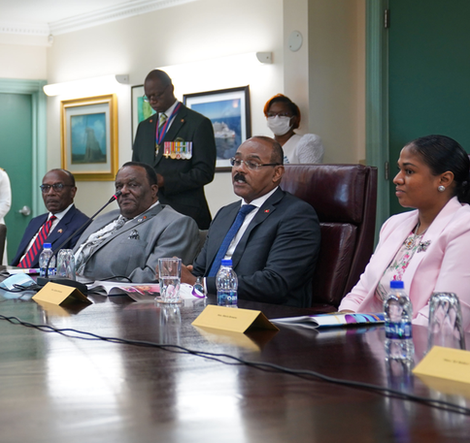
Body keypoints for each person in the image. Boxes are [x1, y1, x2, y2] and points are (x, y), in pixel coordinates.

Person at [340, 135, 470, 327]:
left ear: (444, 179)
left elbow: (445, 317)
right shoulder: (394, 224)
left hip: (428, 349)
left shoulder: (463, 227)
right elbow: (361, 292)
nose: (396, 179)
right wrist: (342, 323)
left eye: (408, 171)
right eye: (399, 169)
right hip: (374, 341)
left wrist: (386, 340)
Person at [182, 136, 321, 307]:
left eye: (252, 164)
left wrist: (200, 284)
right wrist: (180, 275)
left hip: (263, 315)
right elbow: (200, 270)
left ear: (277, 173)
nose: (240, 170)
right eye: (237, 161)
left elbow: (275, 283)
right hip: (208, 307)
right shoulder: (225, 213)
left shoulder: (296, 215)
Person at [73, 162, 199, 283]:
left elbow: (153, 277)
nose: (123, 191)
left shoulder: (175, 224)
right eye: (119, 186)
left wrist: (92, 284)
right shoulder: (104, 218)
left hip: (113, 299)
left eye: (133, 185)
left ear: (153, 190)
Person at [131, 69, 216, 230]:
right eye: (148, 97)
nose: (153, 100)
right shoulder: (144, 127)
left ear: (170, 88)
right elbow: (135, 168)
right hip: (148, 215)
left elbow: (205, 172)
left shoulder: (197, 123)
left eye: (157, 95)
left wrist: (166, 181)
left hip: (185, 214)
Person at [11, 169, 91, 267]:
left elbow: (69, 269)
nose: (50, 193)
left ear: (72, 192)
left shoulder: (83, 225)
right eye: (45, 188)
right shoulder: (35, 221)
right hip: (13, 275)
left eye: (58, 187)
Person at [264, 94, 324, 164]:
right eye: (271, 114)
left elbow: (310, 173)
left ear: (293, 119)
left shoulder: (305, 144)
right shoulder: (265, 147)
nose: (276, 118)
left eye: (283, 114)